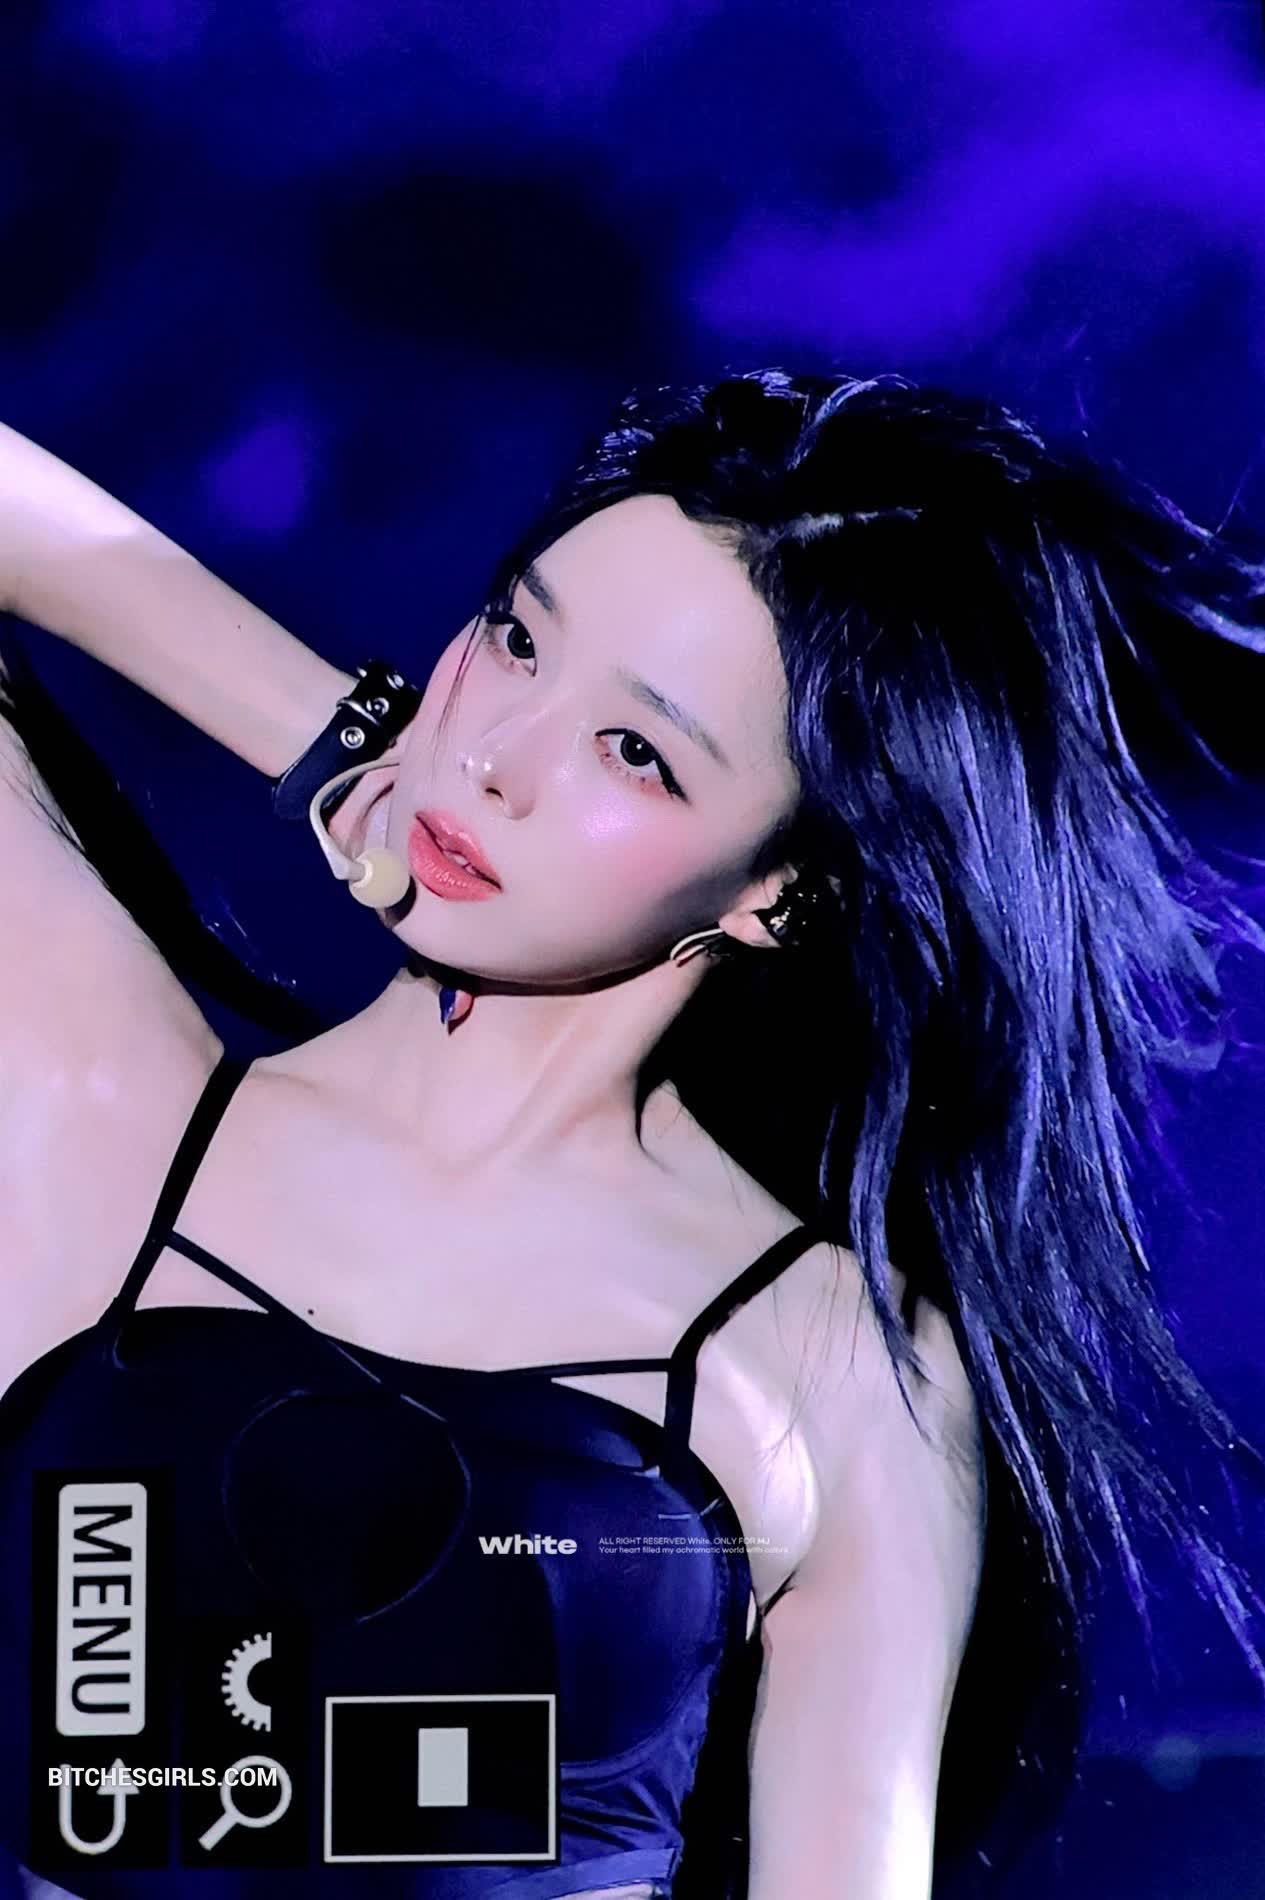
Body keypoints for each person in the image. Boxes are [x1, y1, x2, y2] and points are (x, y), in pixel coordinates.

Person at [0, 367, 1261, 1900]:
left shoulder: (832, 1359)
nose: (496, 755)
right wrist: (340, 746)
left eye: (635, 753)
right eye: (516, 637)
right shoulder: (110, 1111)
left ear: (776, 894)